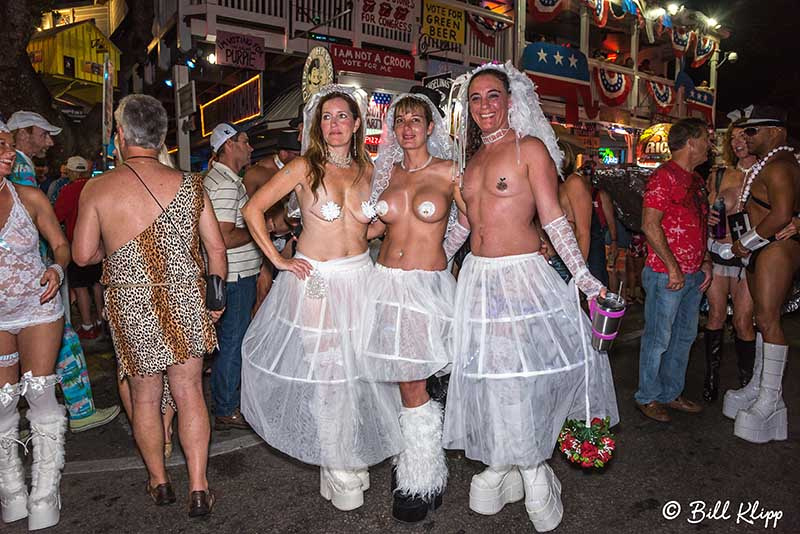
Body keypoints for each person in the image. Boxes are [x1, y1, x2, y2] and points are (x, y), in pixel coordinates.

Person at [442, 62, 619, 532]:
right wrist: (432, 264)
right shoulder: (472, 162)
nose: (483, 106)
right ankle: (503, 464)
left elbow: (554, 219)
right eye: (475, 98)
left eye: (492, 96)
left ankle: (533, 470)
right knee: (491, 376)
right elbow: (465, 226)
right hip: (477, 280)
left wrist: (584, 278)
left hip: (521, 279)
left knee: (522, 376)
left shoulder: (530, 149)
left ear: (509, 101)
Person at [240, 85, 402, 512]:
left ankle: (345, 447)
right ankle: (336, 458)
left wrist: (378, 226)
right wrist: (277, 260)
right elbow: (253, 209)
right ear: (318, 124)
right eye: (327, 117)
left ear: (355, 124)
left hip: (360, 277)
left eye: (342, 116)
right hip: (317, 280)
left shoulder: (369, 170)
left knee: (360, 371)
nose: (334, 124)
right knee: (328, 372)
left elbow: (369, 228)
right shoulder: (302, 167)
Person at [72, 95, 227, 516]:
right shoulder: (193, 185)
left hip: (131, 298)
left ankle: (159, 482)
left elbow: (82, 256)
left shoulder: (99, 188)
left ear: (121, 135)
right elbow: (216, 250)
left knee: (144, 398)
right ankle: (198, 486)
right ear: (160, 137)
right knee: (191, 392)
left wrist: (122, 249)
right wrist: (215, 302)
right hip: (184, 297)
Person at [359, 89, 455, 522]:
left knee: (411, 382)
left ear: (431, 127)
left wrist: (444, 255)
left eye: (416, 120)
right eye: (401, 122)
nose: (408, 128)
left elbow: (473, 218)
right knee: (405, 383)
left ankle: (417, 481)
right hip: (384, 285)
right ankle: (422, 472)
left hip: (423, 289)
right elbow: (375, 229)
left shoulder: (450, 171)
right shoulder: (388, 173)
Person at [7, 111, 120, 433]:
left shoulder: (21, 168)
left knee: (54, 343)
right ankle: (78, 410)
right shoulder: (16, 166)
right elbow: (29, 227)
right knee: (58, 340)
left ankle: (73, 409)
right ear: (23, 134)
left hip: (35, 277)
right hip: (32, 282)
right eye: (43, 134)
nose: (50, 141)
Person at [0, 120, 70, 530]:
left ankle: (44, 492)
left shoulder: (29, 197)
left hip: (38, 309)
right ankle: (11, 489)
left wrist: (57, 271)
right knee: (3, 402)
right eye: (1, 146)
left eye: (10, 144)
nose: (9, 152)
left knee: (41, 396)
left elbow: (60, 244)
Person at [726, 105, 800, 443]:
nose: (745, 137)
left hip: (774, 247)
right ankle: (759, 385)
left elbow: (783, 212)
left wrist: (747, 241)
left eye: (752, 131)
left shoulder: (781, 165)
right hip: (763, 248)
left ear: (776, 131)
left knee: (768, 319)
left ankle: (771, 399)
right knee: (761, 317)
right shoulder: (768, 165)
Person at [636, 118, 713, 423]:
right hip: (666, 274)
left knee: (684, 336)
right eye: (706, 138)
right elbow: (649, 224)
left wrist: (704, 262)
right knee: (659, 337)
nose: (711, 144)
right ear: (691, 142)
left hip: (692, 274)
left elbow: (700, 224)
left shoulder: (696, 180)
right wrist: (673, 268)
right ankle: (647, 395)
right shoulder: (664, 176)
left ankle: (670, 392)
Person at [204, 123, 260, 431]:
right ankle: (226, 407)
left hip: (229, 273)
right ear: (228, 146)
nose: (250, 148)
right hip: (236, 273)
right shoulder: (225, 185)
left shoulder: (219, 179)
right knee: (234, 341)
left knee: (227, 341)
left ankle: (224, 399)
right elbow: (223, 237)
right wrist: (258, 233)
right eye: (245, 141)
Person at [702, 120, 757, 403]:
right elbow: (708, 210)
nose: (737, 142)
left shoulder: (767, 174)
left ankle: (747, 384)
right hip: (719, 252)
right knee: (716, 316)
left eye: (744, 136)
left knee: (743, 322)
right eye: (733, 137)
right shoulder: (721, 174)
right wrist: (710, 216)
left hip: (748, 259)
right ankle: (710, 381)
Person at [243, 129, 302, 312]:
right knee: (263, 294)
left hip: (291, 239)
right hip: (265, 241)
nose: (301, 157)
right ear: (284, 153)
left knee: (287, 295)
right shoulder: (258, 173)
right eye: (296, 154)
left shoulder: (301, 171)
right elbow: (248, 209)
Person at [54, 156, 105, 340]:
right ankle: (101, 319)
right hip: (100, 245)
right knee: (97, 283)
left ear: (72, 172)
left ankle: (87, 325)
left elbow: (57, 216)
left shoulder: (68, 190)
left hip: (78, 244)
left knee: (81, 286)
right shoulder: (97, 187)